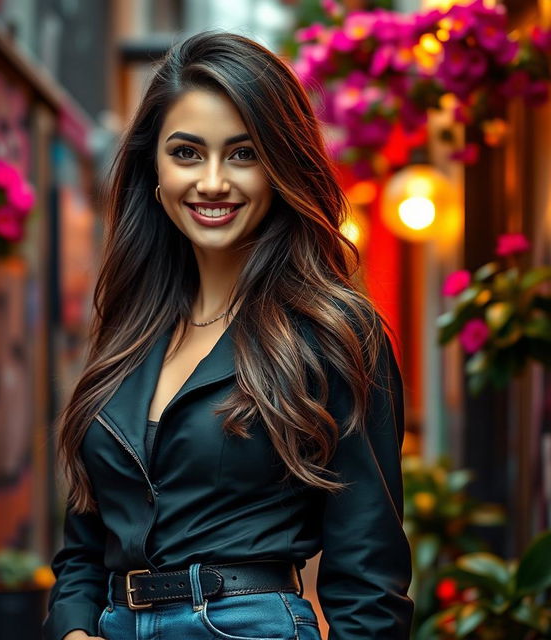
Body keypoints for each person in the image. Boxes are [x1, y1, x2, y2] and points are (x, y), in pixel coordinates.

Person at [43, 30, 413, 640]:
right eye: (187, 153)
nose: (212, 181)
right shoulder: (130, 327)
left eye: (243, 154)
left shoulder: (331, 333)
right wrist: (74, 627)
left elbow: (368, 580)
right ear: (153, 167)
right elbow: (86, 539)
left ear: (280, 166)